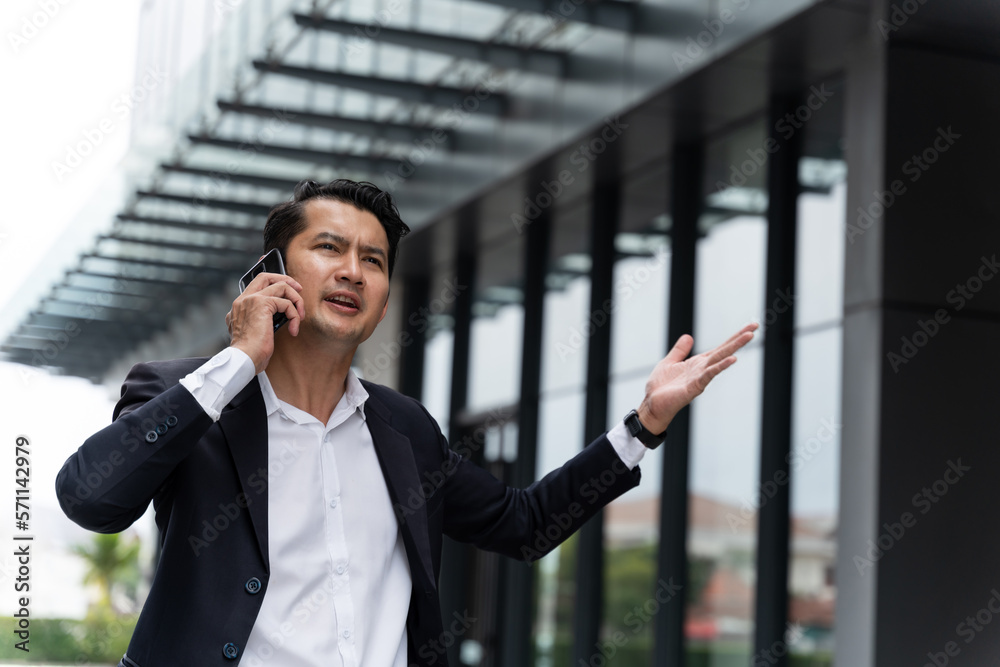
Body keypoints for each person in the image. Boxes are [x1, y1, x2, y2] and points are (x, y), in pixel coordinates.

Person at [55, 179, 757, 667]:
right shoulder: (186, 394)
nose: (353, 270)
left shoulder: (404, 430)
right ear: (271, 271)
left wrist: (644, 422)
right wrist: (238, 358)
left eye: (374, 260)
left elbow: (523, 523)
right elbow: (91, 497)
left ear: (385, 300)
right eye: (330, 248)